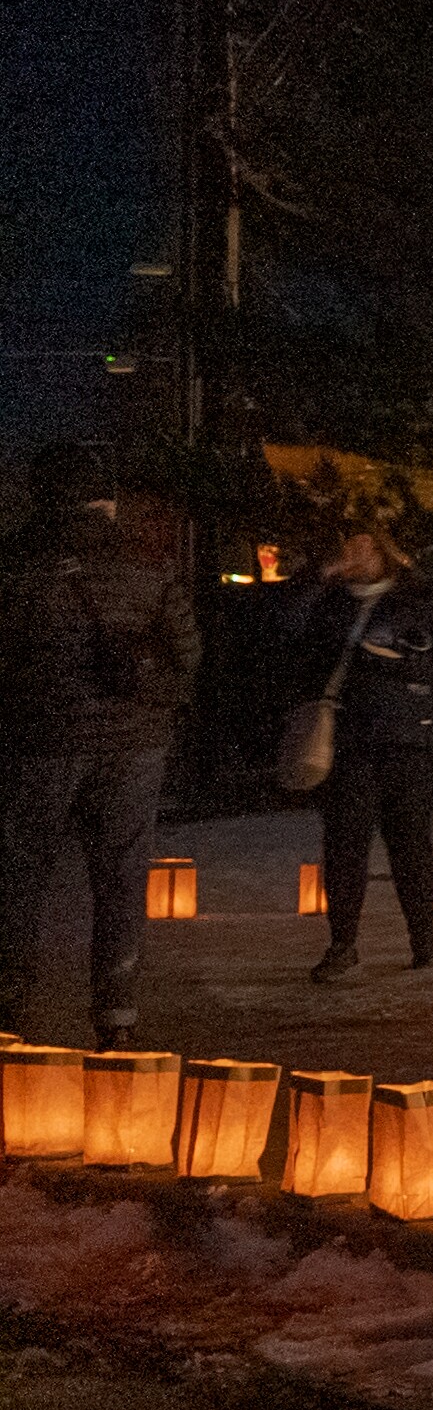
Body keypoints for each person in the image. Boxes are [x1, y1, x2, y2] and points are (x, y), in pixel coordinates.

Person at [0, 442, 202, 1045]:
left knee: (21, 874)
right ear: (104, 499)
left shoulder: (13, 562)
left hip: (37, 742)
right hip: (133, 746)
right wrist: (148, 701)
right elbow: (187, 657)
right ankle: (116, 1015)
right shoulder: (146, 563)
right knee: (119, 876)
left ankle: (12, 1007)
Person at [292, 526, 433, 982]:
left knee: (410, 840)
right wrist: (319, 579)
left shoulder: (416, 598)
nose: (352, 552)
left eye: (362, 544)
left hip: (408, 737)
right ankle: (343, 943)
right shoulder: (329, 601)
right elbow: (286, 634)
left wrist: (405, 666)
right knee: (346, 843)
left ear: (385, 551)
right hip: (348, 739)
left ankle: (424, 937)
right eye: (345, 544)